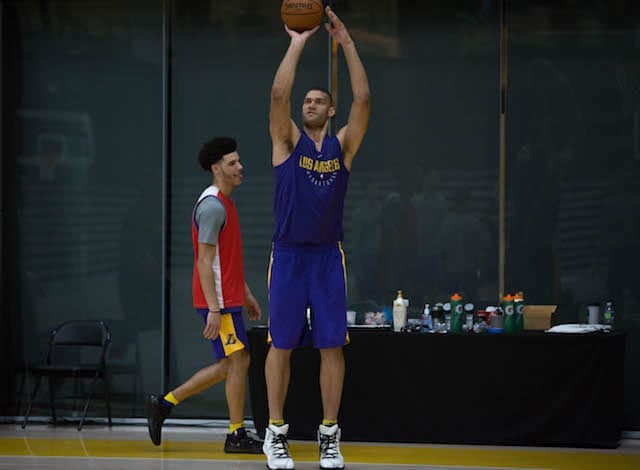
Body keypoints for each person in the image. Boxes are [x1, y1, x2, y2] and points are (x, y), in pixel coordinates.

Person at [263, 6, 370, 470]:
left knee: (332, 346)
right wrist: (298, 41)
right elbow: (277, 94)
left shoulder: (343, 146)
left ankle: (329, 435)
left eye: (317, 101)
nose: (308, 104)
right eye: (305, 101)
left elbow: (363, 101)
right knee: (280, 345)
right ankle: (275, 434)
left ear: (330, 109)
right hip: (287, 256)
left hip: (327, 257)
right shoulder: (286, 142)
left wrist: (345, 42)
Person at [145, 137, 263, 454]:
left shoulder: (226, 202)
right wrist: (214, 309)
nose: (240, 167)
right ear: (216, 168)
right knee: (239, 360)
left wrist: (247, 293)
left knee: (232, 364)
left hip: (229, 299)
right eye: (232, 163)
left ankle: (164, 403)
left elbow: (229, 260)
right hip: (219, 303)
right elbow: (203, 261)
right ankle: (235, 433)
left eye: (239, 161)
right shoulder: (212, 207)